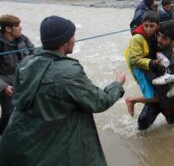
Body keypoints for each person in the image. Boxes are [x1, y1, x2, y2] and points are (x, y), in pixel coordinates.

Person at [0, 15, 126, 166]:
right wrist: (118, 84)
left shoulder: (26, 63)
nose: (74, 40)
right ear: (64, 42)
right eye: (72, 36)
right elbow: (99, 101)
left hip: (17, 144)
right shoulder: (68, 72)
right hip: (48, 153)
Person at [125, 11, 174, 117]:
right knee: (152, 95)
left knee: (162, 91)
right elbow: (135, 60)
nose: (148, 29)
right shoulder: (137, 38)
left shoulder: (158, 32)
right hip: (139, 66)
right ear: (142, 24)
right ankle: (131, 100)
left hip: (151, 62)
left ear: (157, 25)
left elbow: (170, 35)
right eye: (146, 25)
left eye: (152, 26)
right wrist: (152, 63)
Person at [137, 21, 174, 130]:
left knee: (173, 126)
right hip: (156, 94)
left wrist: (135, 99)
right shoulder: (154, 43)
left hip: (171, 100)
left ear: (172, 41)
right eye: (159, 35)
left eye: (164, 38)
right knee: (142, 122)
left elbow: (165, 87)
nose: (159, 39)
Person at [0, 15, 34, 135]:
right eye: (17, 26)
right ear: (8, 29)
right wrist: (3, 87)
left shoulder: (24, 39)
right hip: (7, 84)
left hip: (24, 80)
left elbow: (36, 55)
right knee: (8, 115)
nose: (21, 28)